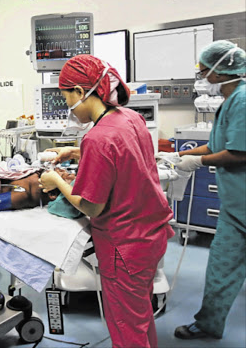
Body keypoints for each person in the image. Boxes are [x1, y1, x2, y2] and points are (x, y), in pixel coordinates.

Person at [39, 54, 174, 348]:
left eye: (66, 97)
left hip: (124, 247)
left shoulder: (98, 139)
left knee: (126, 329)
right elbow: (125, 159)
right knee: (139, 318)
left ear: (79, 91)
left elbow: (91, 206)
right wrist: (75, 153)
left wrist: (57, 182)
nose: (68, 106)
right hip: (151, 236)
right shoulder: (130, 117)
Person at [157, 40, 245, 340]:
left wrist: (199, 161)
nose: (202, 75)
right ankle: (208, 324)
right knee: (222, 265)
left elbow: (240, 152)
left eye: (205, 70)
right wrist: (181, 155)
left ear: (221, 72)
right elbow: (219, 144)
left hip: (242, 199)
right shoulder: (230, 101)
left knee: (225, 264)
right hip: (235, 206)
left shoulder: (244, 100)